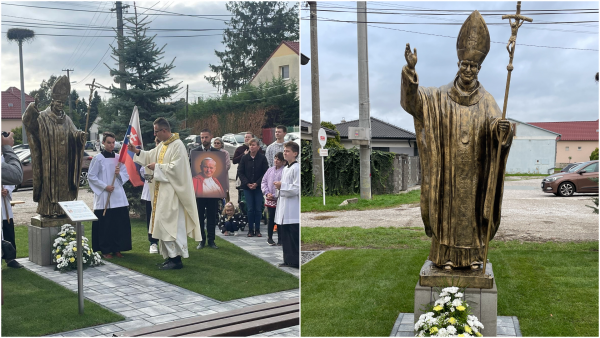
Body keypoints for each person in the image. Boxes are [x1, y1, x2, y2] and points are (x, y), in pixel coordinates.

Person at [401, 11, 513, 270]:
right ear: (458, 64)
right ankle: (444, 258)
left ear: (479, 68)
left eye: (474, 66)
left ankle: (475, 258)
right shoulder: (438, 97)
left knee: (472, 216)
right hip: (447, 173)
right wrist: (410, 71)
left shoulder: (487, 101)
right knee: (446, 214)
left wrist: (503, 131)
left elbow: (498, 128)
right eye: (465, 64)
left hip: (475, 175)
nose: (469, 70)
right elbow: (413, 103)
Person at [128, 118, 202, 270]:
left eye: (156, 131)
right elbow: (150, 155)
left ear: (164, 131)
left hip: (173, 194)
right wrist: (136, 151)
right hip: (161, 193)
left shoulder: (178, 145)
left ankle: (176, 260)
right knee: (162, 224)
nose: (154, 134)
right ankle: (170, 257)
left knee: (171, 225)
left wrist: (158, 167)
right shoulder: (162, 145)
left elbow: (177, 168)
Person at [22, 75, 86, 216]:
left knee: (64, 189)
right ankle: (48, 210)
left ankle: (64, 211)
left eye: (62, 103)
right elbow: (29, 124)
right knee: (49, 188)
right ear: (52, 101)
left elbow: (74, 133)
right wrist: (32, 107)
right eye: (58, 102)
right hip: (49, 164)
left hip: (64, 165)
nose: (60, 105)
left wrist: (79, 136)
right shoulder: (43, 117)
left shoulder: (67, 120)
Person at [88, 132, 132, 259]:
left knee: (118, 224)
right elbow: (91, 176)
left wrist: (118, 174)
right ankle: (105, 249)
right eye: (108, 142)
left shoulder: (119, 158)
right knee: (105, 225)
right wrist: (104, 186)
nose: (111, 145)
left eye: (113, 142)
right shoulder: (98, 159)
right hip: (104, 196)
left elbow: (125, 174)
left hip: (118, 195)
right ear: (103, 143)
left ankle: (117, 248)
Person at [191, 129, 221, 249]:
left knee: (211, 217)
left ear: (211, 137)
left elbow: (221, 172)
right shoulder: (195, 152)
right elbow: (190, 170)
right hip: (198, 192)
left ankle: (211, 240)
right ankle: (201, 240)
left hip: (212, 193)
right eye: (202, 137)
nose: (204, 140)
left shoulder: (217, 152)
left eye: (206, 137)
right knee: (199, 217)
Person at [274, 142, 300, 268]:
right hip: (283, 206)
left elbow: (296, 189)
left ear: (295, 153)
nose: (285, 153)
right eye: (284, 151)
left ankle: (296, 261)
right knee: (285, 236)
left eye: (287, 151)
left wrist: (282, 186)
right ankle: (288, 259)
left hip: (293, 208)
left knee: (293, 236)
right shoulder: (286, 168)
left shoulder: (296, 168)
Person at [238, 138, 269, 237]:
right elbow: (240, 172)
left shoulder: (262, 158)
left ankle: (258, 229)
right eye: (250, 145)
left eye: (254, 145)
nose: (251, 147)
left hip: (258, 187)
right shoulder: (244, 158)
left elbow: (265, 172)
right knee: (250, 209)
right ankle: (250, 229)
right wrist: (247, 183)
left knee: (258, 209)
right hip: (247, 188)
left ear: (258, 147)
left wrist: (257, 183)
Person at [1, 155, 22, 269]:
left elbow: (12, 178)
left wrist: (7, 190)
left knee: (8, 229)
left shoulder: (6, 158)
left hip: (4, 203)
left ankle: (11, 258)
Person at [261, 152, 286, 246]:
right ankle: (269, 238)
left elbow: (284, 184)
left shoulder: (284, 171)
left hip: (280, 199)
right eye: (275, 158)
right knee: (271, 218)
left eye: (279, 159)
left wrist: (276, 195)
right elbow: (264, 182)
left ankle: (281, 239)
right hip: (270, 199)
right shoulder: (270, 170)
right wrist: (267, 193)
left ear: (283, 162)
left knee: (280, 219)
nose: (276, 161)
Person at [140, 137, 160, 254]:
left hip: (164, 193)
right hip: (150, 192)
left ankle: (165, 242)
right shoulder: (149, 156)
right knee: (151, 218)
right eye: (157, 143)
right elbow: (143, 172)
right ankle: (153, 243)